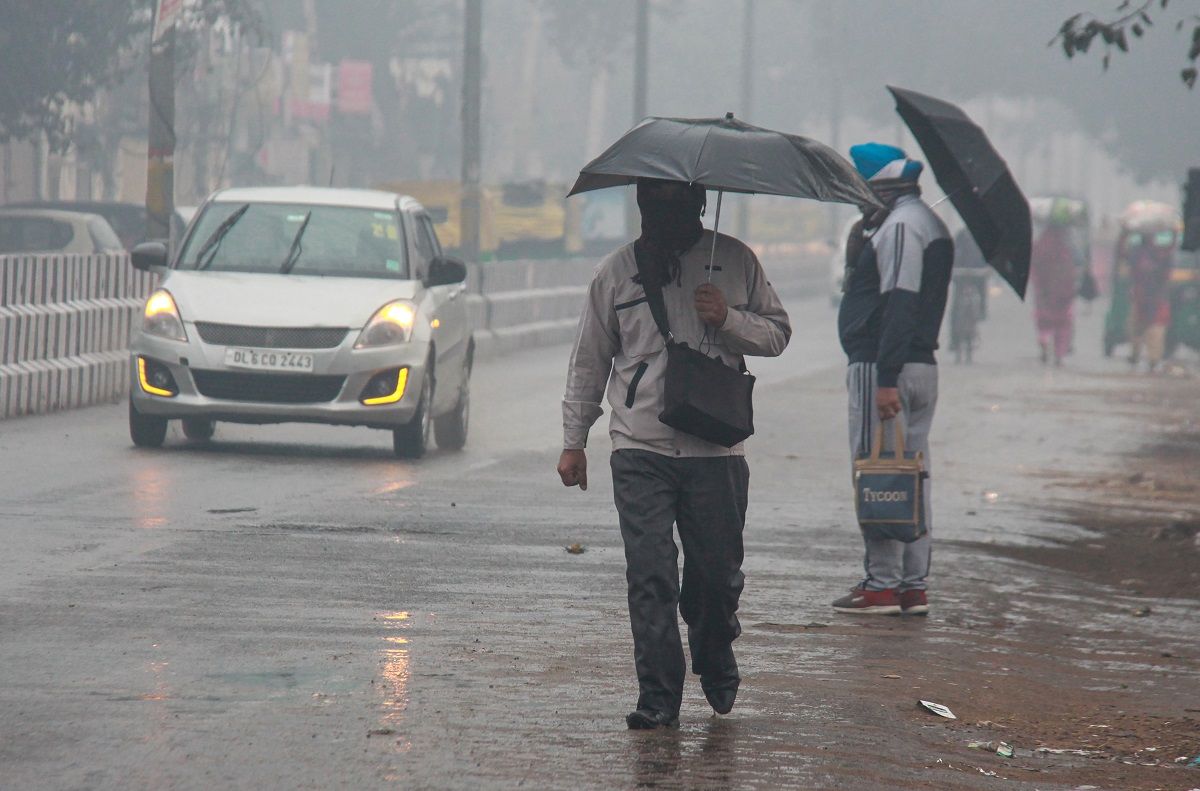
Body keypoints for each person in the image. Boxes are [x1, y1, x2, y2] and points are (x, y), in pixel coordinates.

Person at [557, 177, 791, 729]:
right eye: (652, 204)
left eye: (675, 205)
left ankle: (713, 653)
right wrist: (574, 440)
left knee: (715, 576)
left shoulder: (734, 262)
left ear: (699, 204)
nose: (663, 216)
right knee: (651, 574)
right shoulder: (615, 272)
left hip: (717, 449)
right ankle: (658, 697)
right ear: (639, 207)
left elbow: (778, 334)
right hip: (640, 447)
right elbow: (589, 361)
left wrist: (728, 319)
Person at [833, 143, 953, 616]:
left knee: (879, 470)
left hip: (887, 369)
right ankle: (910, 584)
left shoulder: (902, 226)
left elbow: (900, 303)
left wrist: (885, 377)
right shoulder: (921, 222)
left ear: (878, 186)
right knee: (912, 473)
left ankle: (882, 584)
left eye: (859, 188)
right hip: (917, 366)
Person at [1030, 210, 1080, 366]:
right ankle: (1059, 353)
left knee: (1043, 318)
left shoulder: (1040, 243)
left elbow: (1034, 263)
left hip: (1043, 288)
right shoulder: (1066, 245)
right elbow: (1075, 264)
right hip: (1063, 290)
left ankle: (1043, 339)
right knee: (1063, 322)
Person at [948, 227, 989, 363]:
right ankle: (955, 339)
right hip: (965, 274)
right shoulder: (976, 235)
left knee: (959, 304)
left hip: (972, 274)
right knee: (956, 307)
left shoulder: (964, 235)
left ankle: (981, 311)